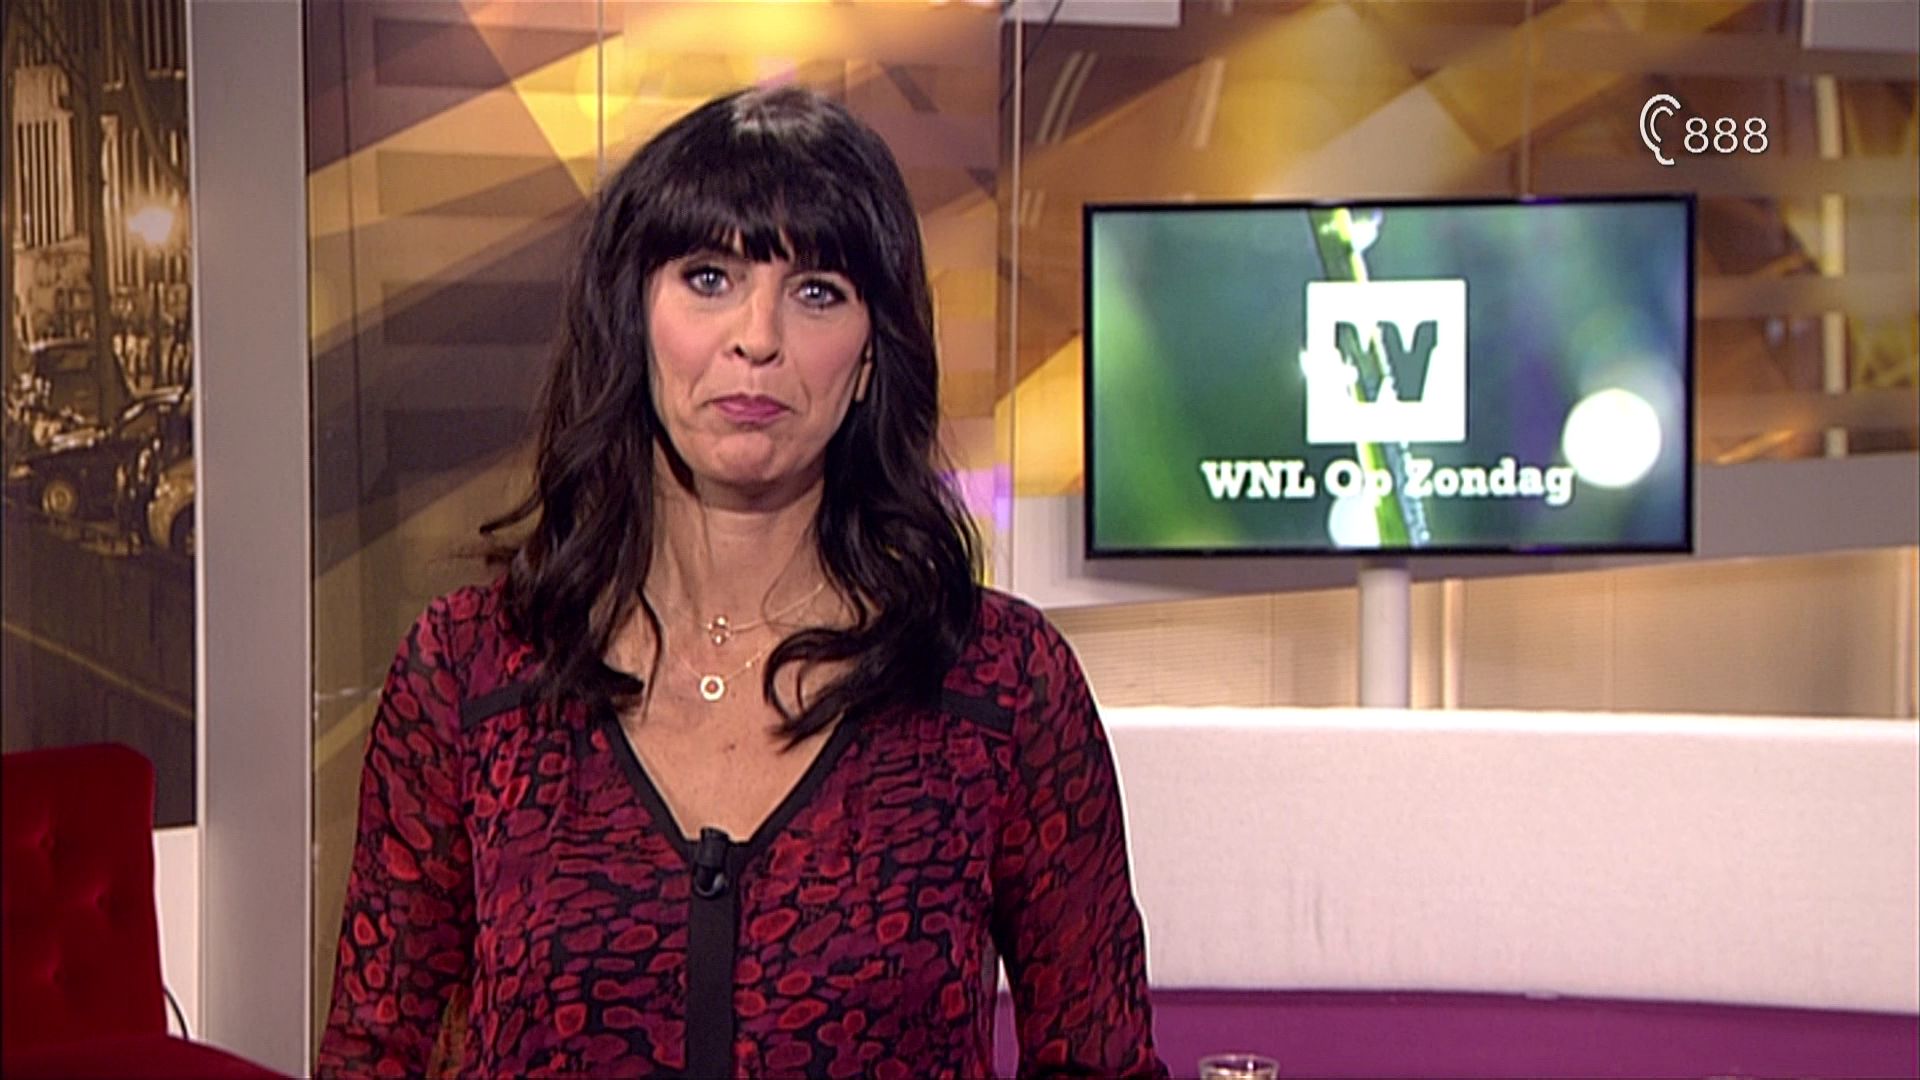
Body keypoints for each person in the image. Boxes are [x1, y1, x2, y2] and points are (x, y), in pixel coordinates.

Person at [316, 85, 1165, 1080]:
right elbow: (370, 1055)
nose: (756, 337)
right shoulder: (472, 673)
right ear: (633, 320)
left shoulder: (1001, 684)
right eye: (709, 276)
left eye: (817, 292)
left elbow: (1103, 1064)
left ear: (870, 357)